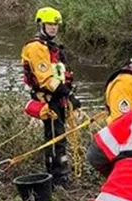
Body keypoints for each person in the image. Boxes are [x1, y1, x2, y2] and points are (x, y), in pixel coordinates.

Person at [21, 7, 79, 185]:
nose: (53, 28)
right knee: (55, 138)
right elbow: (46, 79)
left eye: (56, 25)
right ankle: (56, 177)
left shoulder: (51, 47)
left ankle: (60, 174)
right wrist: (67, 94)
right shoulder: (36, 48)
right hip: (49, 100)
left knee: (60, 137)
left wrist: (67, 94)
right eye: (50, 25)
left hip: (58, 98)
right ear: (41, 25)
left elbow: (60, 74)